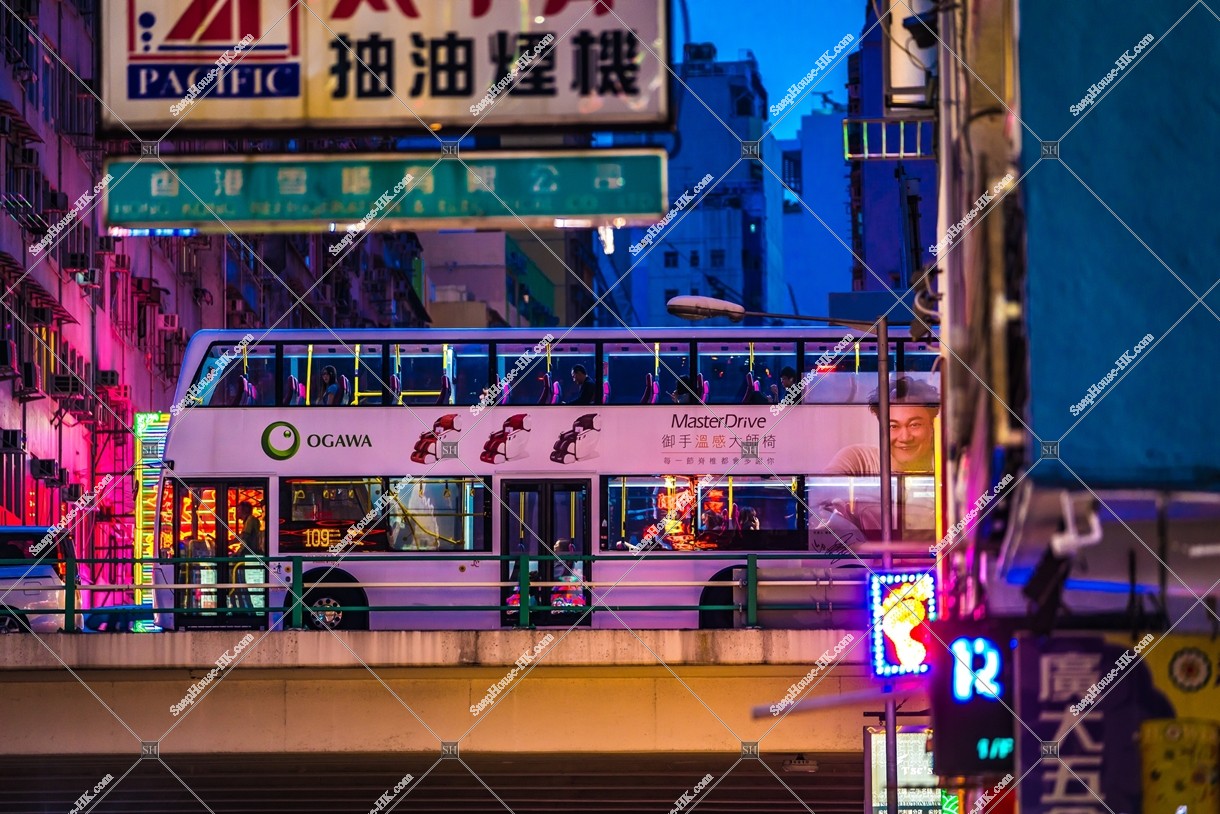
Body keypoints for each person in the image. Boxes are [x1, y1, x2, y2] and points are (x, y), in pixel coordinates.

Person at [826, 377, 939, 475]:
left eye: (914, 425)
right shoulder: (858, 460)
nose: (905, 438)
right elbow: (822, 495)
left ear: (932, 426)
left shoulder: (948, 466)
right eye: (893, 426)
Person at [229, 501, 262, 610]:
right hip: (250, 554)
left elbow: (245, 538)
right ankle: (244, 607)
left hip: (249, 555)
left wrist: (236, 551)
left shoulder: (250, 520)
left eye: (238, 510)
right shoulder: (250, 520)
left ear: (244, 510)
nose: (236, 512)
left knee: (239, 582)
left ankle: (243, 608)